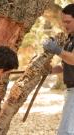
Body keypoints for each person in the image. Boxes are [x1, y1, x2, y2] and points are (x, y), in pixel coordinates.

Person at [43, 4, 74, 135]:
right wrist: (50, 70)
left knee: (65, 132)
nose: (65, 25)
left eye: (68, 22)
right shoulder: (70, 39)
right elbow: (65, 65)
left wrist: (56, 49)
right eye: (63, 22)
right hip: (71, 90)